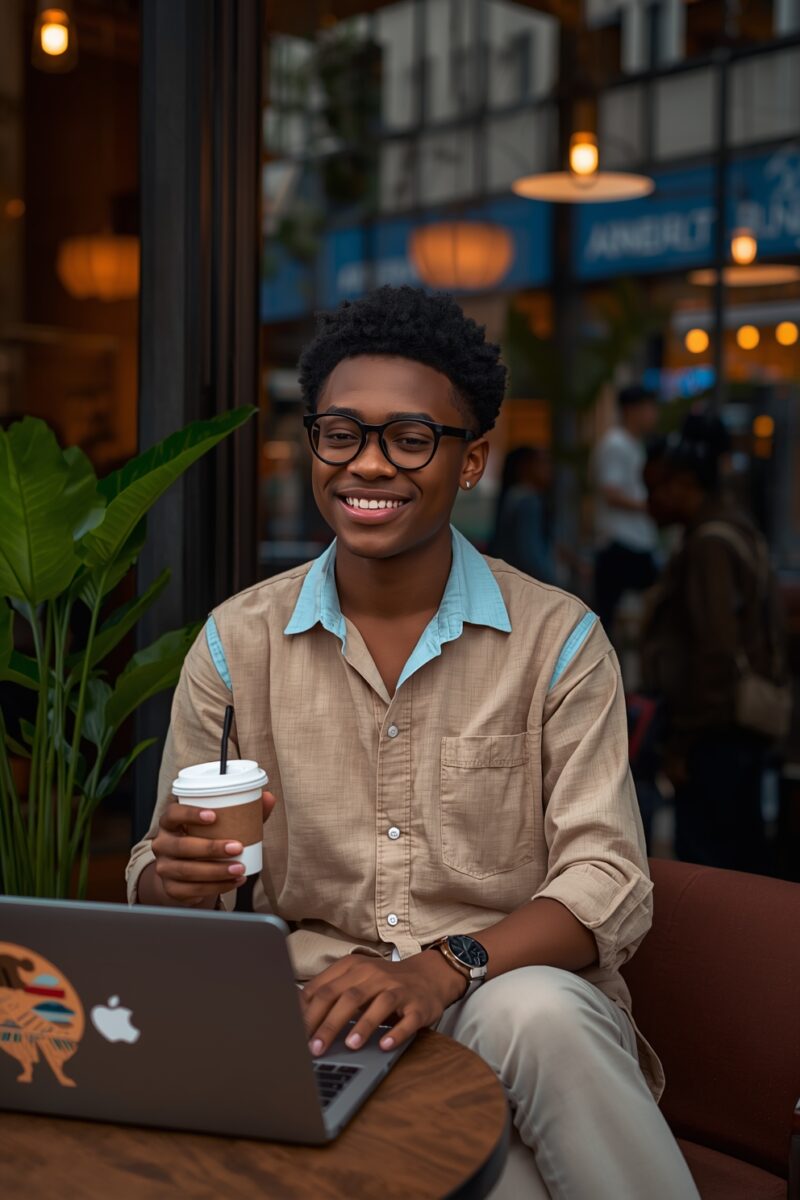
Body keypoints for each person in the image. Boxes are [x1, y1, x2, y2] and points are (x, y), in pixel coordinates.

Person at [126, 286, 698, 1199]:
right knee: (506, 1184)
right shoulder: (237, 644)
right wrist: (175, 877)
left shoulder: (559, 642)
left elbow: (608, 881)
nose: (369, 465)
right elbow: (162, 869)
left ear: (471, 461)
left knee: (542, 1010)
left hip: (495, 998)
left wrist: (446, 968)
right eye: (342, 432)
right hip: (307, 1015)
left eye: (410, 437)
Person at [641, 412, 788, 874]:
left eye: (657, 488)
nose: (650, 502)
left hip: (715, 732)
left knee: (710, 861)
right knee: (740, 854)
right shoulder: (735, 527)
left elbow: (715, 649)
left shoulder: (708, 545)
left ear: (685, 484)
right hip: (734, 727)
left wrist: (683, 744)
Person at [592, 384, 660, 636]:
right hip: (620, 541)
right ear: (632, 410)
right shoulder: (615, 444)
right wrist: (649, 506)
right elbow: (611, 491)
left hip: (636, 541)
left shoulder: (633, 445)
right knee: (607, 619)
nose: (654, 415)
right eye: (649, 408)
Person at [488, 445, 556, 582]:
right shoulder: (528, 500)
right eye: (544, 463)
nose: (550, 469)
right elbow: (531, 553)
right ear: (526, 467)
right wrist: (552, 583)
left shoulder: (512, 495)